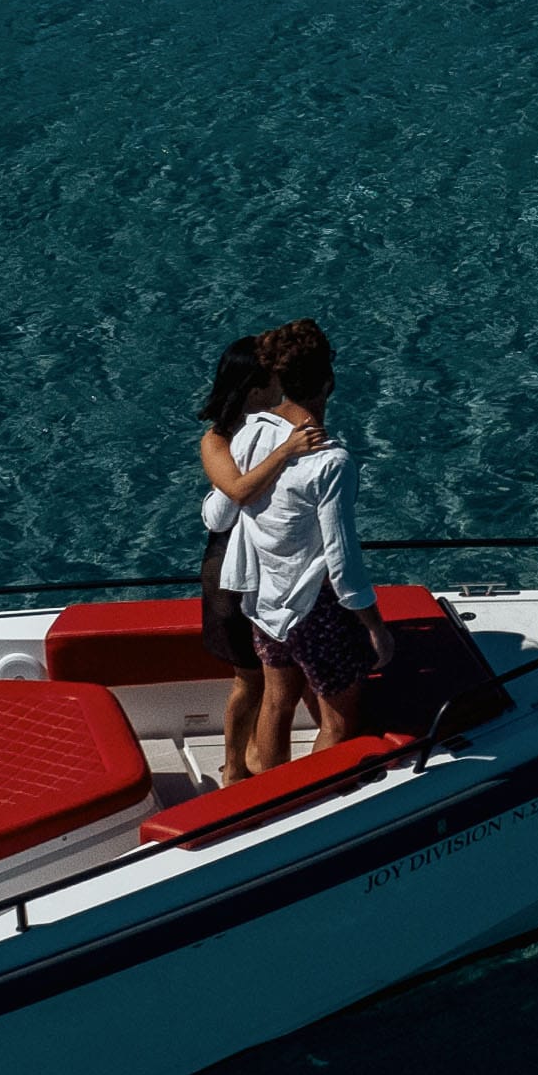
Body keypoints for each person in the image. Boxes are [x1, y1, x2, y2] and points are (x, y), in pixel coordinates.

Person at [218, 317, 389, 774]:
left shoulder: (252, 431)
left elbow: (223, 509)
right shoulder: (331, 461)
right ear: (328, 383)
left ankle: (269, 797)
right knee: (339, 718)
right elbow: (342, 556)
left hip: (265, 599)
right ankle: (313, 803)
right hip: (316, 607)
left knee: (278, 698)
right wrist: (375, 626)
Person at [193, 336, 320, 785]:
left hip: (272, 565)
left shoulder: (273, 429)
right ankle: (234, 768)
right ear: (254, 390)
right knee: (249, 676)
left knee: (276, 674)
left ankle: (256, 758)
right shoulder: (217, 440)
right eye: (273, 381)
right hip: (231, 567)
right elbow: (239, 493)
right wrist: (286, 453)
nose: (282, 387)